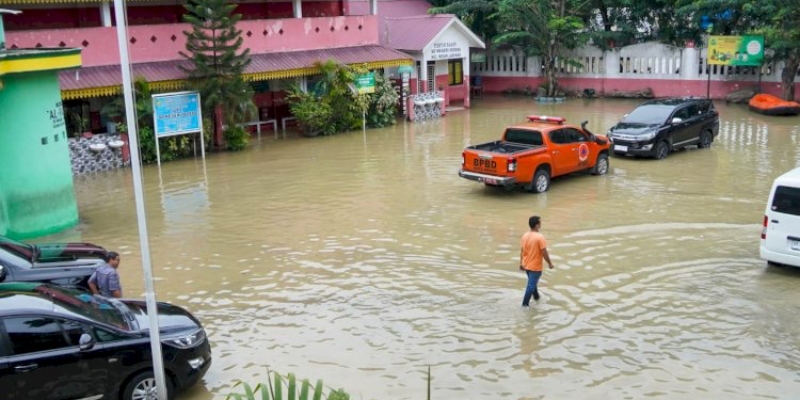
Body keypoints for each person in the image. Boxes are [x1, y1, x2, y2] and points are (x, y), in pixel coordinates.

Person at [519, 216, 553, 307]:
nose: (541, 224)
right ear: (537, 225)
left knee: (532, 283)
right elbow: (544, 252)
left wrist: (521, 263)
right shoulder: (540, 237)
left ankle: (537, 297)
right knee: (530, 286)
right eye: (540, 223)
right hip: (535, 267)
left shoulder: (525, 235)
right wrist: (550, 263)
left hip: (526, 265)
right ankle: (524, 305)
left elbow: (522, 250)